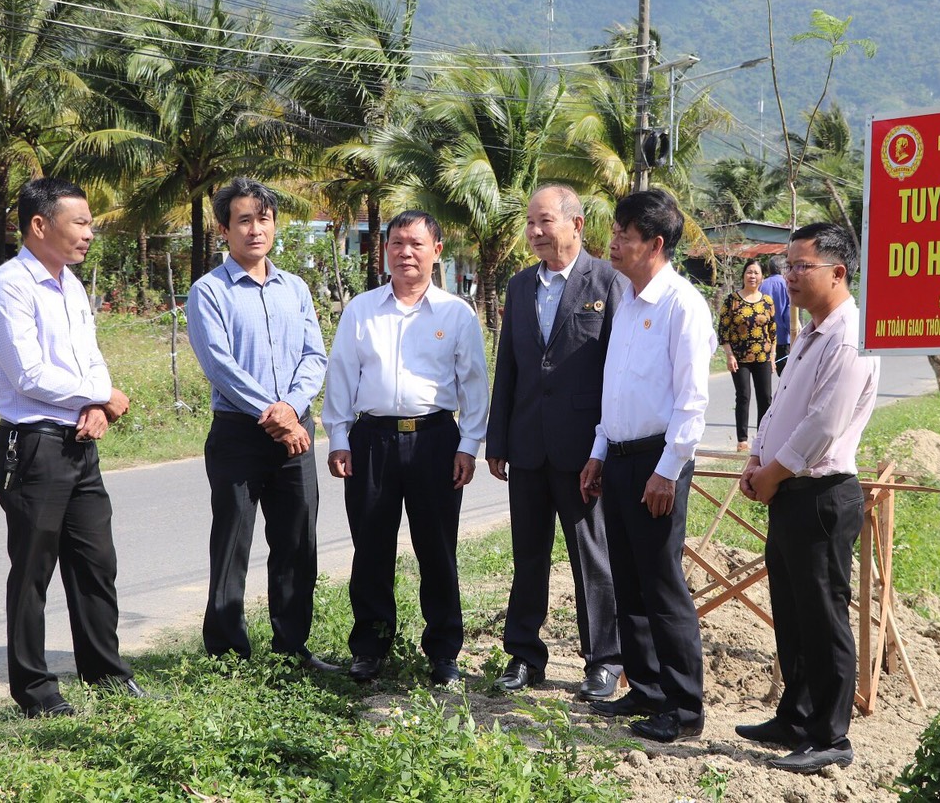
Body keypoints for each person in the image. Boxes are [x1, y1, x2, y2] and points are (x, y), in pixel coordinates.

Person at [0, 177, 145, 717]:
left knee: (97, 564)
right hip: (34, 446)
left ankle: (106, 676)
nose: (90, 233)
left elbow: (88, 358)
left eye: (90, 222)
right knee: (32, 572)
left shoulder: (70, 285)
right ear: (40, 225)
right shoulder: (9, 288)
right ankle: (35, 692)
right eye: (81, 222)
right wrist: (103, 395)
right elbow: (29, 374)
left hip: (79, 442)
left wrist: (95, 405)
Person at [735, 222, 880, 774]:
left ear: (838, 272)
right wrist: (757, 459)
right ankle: (794, 716)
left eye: (801, 266)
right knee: (791, 611)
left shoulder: (850, 335)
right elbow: (780, 407)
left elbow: (824, 423)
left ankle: (830, 735)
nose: (788, 277)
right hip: (787, 488)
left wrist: (771, 473)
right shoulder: (811, 330)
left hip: (821, 493)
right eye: (786, 266)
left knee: (823, 615)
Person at [322, 210, 489, 687]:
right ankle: (370, 648)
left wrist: (470, 444)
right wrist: (338, 436)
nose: (405, 252)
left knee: (437, 548)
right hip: (371, 439)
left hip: (436, 438)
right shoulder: (361, 309)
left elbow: (474, 383)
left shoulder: (456, 313)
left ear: (437, 252)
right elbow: (341, 375)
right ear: (385, 250)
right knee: (370, 546)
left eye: (416, 244)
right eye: (396, 243)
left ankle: (443, 652)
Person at [579, 189, 716, 743]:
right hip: (620, 458)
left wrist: (668, 468)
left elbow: (692, 401)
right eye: (613, 230)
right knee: (629, 582)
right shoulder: (628, 300)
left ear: (655, 244)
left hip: (660, 460)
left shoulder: (682, 304)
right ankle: (648, 689)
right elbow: (616, 392)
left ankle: (685, 709)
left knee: (662, 585)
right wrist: (597, 452)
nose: (612, 242)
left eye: (624, 234)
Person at [186, 177, 335, 671]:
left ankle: (292, 647)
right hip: (238, 433)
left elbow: (315, 356)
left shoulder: (295, 288)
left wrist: (292, 408)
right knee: (232, 541)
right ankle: (227, 652)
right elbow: (219, 365)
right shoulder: (209, 291)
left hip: (296, 429)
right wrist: (272, 414)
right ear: (224, 229)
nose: (255, 229)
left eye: (264, 218)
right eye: (244, 220)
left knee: (297, 540)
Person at [486, 184, 624, 701]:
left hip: (582, 449)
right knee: (528, 555)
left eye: (545, 222)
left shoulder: (606, 281)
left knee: (591, 553)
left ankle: (604, 660)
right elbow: (511, 369)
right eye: (531, 223)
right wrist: (497, 437)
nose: (536, 232)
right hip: (526, 444)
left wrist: (602, 449)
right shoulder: (520, 286)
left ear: (577, 225)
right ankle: (523, 655)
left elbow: (615, 372)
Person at [717, 258, 776, 451]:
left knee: (765, 398)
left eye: (756, 273)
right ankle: (742, 440)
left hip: (763, 357)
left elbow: (773, 331)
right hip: (739, 357)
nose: (752, 276)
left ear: (762, 277)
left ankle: (762, 438)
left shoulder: (767, 301)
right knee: (743, 395)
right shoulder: (732, 300)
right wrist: (729, 355)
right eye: (749, 272)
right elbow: (723, 330)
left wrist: (773, 357)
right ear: (743, 275)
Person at [760, 255, 791, 374]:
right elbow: (788, 314)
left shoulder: (762, 285)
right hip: (784, 338)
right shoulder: (787, 284)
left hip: (765, 338)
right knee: (786, 375)